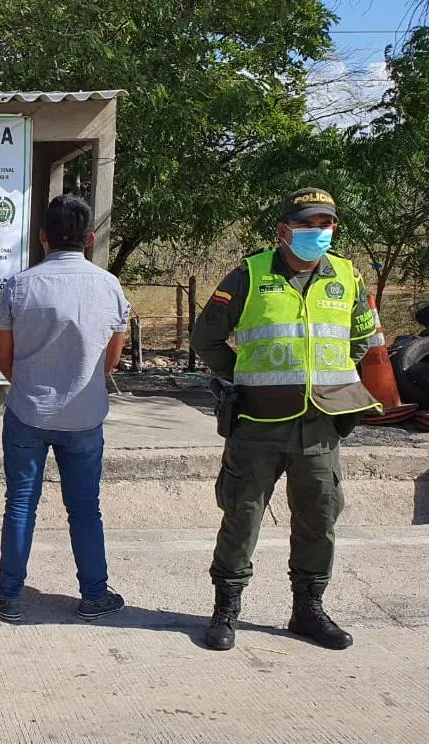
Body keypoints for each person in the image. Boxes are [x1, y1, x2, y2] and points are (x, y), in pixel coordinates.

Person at [191, 187, 380, 651]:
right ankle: (226, 609)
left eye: (326, 224)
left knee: (319, 518)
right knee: (242, 515)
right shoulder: (248, 274)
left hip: (320, 426)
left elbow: (360, 340)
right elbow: (206, 339)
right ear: (283, 230)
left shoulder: (348, 277)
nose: (318, 232)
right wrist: (239, 375)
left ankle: (308, 610)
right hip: (257, 422)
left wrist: (333, 381)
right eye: (308, 224)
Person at [0, 194, 129, 623]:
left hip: (27, 412)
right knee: (85, 507)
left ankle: (9, 595)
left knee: (21, 503)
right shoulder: (109, 286)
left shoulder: (20, 286)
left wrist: (33, 385)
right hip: (85, 416)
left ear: (42, 237)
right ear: (90, 238)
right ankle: (95, 595)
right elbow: (112, 361)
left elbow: (4, 359)